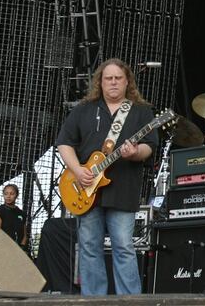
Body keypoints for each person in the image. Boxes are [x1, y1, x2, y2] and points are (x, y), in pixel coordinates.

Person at [56, 58, 158, 295]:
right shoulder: (84, 109)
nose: (113, 82)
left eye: (118, 78)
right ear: (100, 83)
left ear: (127, 82)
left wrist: (134, 153)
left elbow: (149, 147)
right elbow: (64, 143)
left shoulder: (141, 111)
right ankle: (93, 300)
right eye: (108, 78)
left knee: (123, 246)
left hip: (123, 190)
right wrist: (78, 170)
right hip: (86, 188)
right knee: (90, 247)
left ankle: (130, 301)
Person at [0, 184, 28, 250]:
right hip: (3, 248)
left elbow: (24, 236)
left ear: (17, 195)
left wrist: (22, 248)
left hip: (19, 250)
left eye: (12, 194)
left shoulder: (21, 213)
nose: (8, 196)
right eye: (6, 193)